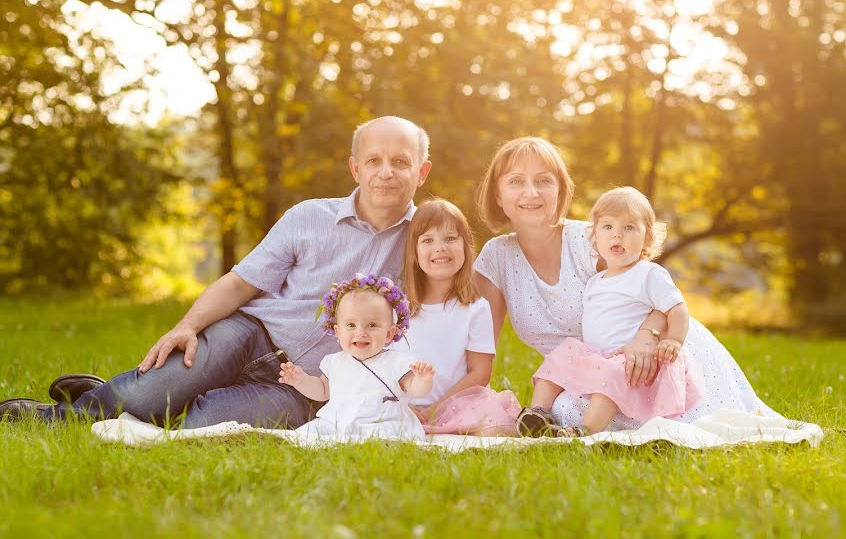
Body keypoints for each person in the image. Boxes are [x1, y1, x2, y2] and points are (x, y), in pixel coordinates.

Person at [0, 116, 433, 429]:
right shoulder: (309, 217)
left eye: (400, 161)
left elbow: (461, 298)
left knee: (203, 424)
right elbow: (241, 282)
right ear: (355, 168)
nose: (386, 172)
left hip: (309, 385)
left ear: (421, 171)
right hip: (249, 335)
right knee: (150, 393)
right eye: (373, 160)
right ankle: (67, 415)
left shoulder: (427, 240)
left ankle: (124, 398)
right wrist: (187, 326)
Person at [473, 137, 780, 433]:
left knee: (574, 411)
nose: (531, 192)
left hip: (650, 354)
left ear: (560, 191)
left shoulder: (594, 239)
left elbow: (655, 293)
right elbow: (480, 347)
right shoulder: (496, 257)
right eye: (516, 182)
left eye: (543, 181)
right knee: (564, 409)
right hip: (586, 373)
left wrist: (647, 337)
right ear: (498, 195)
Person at [522, 187, 704, 437]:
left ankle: (585, 430)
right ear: (594, 236)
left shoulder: (648, 274)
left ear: (648, 238)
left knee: (612, 374)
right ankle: (537, 413)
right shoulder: (596, 281)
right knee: (560, 356)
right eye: (607, 227)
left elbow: (677, 309)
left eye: (629, 228)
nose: (617, 234)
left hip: (627, 357)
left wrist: (673, 339)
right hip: (598, 354)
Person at [393, 198, 520, 436]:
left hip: (456, 404)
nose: (440, 247)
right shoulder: (397, 308)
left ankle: (442, 426)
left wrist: (435, 409)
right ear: (414, 252)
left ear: (466, 246)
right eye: (428, 240)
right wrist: (406, 406)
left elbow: (480, 373)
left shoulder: (475, 308)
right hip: (403, 404)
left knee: (498, 429)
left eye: (450, 238)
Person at [279, 275, 434, 439]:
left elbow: (415, 390)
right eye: (351, 325)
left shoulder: (396, 362)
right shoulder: (334, 362)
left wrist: (422, 380)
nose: (360, 332)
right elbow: (322, 391)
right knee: (307, 435)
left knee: (383, 439)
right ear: (338, 332)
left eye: (372, 325)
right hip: (338, 422)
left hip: (382, 423)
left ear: (389, 333)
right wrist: (300, 380)